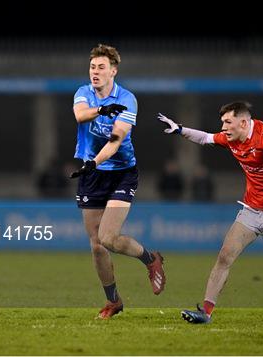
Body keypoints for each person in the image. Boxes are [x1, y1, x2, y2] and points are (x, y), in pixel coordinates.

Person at [157, 101, 263, 324]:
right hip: (251, 210)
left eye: (227, 122)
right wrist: (181, 130)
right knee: (225, 256)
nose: (223, 127)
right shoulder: (232, 138)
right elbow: (205, 138)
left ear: (243, 122)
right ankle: (206, 312)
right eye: (222, 122)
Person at [70, 44, 166, 319]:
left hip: (121, 171)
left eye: (101, 67)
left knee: (108, 237)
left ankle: (151, 259)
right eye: (92, 67)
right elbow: (79, 115)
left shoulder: (127, 98)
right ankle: (114, 301)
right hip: (92, 175)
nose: (95, 72)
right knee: (96, 244)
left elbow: (115, 140)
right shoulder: (83, 93)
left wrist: (94, 162)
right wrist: (101, 110)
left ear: (114, 71)